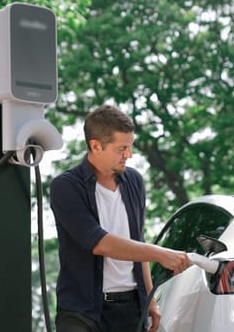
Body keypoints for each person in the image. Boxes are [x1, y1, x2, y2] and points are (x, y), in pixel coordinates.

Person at [50, 104, 191, 332]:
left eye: (130, 146)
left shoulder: (134, 181)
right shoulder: (65, 186)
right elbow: (98, 243)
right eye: (121, 148)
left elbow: (137, 240)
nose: (129, 155)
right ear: (95, 146)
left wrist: (150, 301)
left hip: (131, 309)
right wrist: (161, 254)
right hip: (82, 313)